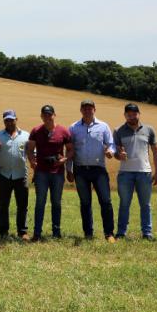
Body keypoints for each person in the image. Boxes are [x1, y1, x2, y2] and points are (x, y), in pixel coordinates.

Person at [69, 99, 117, 242]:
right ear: (81, 110)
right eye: (84, 108)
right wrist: (69, 169)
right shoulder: (73, 127)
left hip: (99, 170)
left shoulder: (103, 126)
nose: (87, 110)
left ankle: (109, 234)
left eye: (90, 108)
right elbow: (70, 149)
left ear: (94, 109)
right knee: (85, 203)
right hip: (80, 170)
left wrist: (111, 152)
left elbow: (111, 144)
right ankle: (88, 233)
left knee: (106, 201)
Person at [113, 103, 157, 241]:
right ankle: (121, 232)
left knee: (145, 204)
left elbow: (156, 151)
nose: (132, 116)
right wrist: (118, 155)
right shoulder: (118, 131)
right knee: (124, 204)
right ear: (125, 115)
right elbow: (116, 152)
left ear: (139, 114)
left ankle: (147, 233)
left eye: (134, 114)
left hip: (144, 173)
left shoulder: (149, 130)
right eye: (129, 114)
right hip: (125, 173)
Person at [25, 105, 73, 241]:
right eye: (44, 115)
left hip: (57, 172)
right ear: (41, 116)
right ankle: (37, 233)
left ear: (54, 115)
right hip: (41, 172)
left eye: (49, 114)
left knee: (56, 202)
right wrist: (32, 160)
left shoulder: (63, 131)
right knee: (40, 202)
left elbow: (71, 150)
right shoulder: (36, 131)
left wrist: (64, 159)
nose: (47, 117)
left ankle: (56, 233)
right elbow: (30, 149)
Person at [0, 109, 30, 241]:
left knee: (22, 205)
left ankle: (22, 232)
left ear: (17, 119)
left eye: (11, 119)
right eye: (6, 120)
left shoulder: (26, 136)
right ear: (4, 121)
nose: (9, 122)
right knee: (3, 205)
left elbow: (33, 155)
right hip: (4, 175)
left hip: (21, 175)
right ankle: (3, 232)